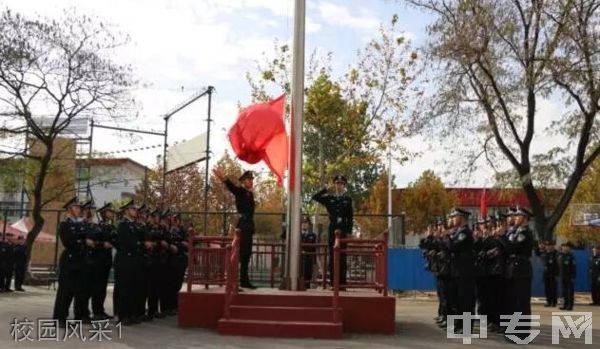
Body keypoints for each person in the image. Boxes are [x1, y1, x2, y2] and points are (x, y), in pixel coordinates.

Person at [213, 168, 257, 289]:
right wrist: (224, 179)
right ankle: (234, 282)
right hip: (243, 225)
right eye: (249, 179)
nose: (251, 181)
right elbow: (231, 187)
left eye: (252, 180)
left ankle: (244, 281)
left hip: (249, 225)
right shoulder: (240, 191)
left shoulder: (250, 194)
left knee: (246, 254)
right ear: (243, 181)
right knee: (239, 254)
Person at [311, 175, 353, 288]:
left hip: (343, 230)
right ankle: (333, 283)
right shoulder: (330, 198)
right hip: (333, 230)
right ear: (334, 185)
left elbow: (350, 217)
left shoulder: (347, 199)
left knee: (342, 257)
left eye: (341, 183)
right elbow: (315, 197)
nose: (339, 185)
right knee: (333, 257)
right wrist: (325, 189)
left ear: (344, 186)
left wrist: (349, 231)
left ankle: (342, 284)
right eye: (337, 183)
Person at [52, 197, 89, 327]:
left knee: (80, 290)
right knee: (65, 291)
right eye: (77, 207)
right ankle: (60, 318)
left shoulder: (82, 224)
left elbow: (89, 237)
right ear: (70, 209)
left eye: (80, 207)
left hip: (81, 260)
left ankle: (79, 316)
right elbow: (69, 241)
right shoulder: (65, 224)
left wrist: (84, 240)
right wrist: (83, 241)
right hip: (70, 260)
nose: (79, 210)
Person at [504, 206, 534, 340]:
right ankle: (513, 330)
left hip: (521, 269)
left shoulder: (525, 233)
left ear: (525, 218)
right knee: (513, 302)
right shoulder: (516, 232)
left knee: (522, 303)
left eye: (518, 216)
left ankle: (522, 333)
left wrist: (502, 237)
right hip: (514, 269)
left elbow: (511, 247)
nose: (515, 218)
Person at [446, 208, 475, 334]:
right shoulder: (457, 232)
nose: (452, 219)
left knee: (466, 300)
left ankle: (467, 328)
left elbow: (453, 247)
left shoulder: (465, 233)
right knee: (456, 299)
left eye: (455, 216)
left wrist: (446, 235)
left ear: (462, 218)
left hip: (465, 271)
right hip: (456, 270)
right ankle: (458, 325)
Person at [114, 199, 142, 325]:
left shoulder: (135, 224)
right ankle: (122, 315)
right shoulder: (123, 225)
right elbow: (126, 242)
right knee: (124, 288)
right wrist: (139, 243)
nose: (135, 211)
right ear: (126, 211)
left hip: (134, 260)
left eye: (135, 209)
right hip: (125, 260)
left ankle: (131, 314)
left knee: (133, 288)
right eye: (133, 209)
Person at [92, 203, 116, 320]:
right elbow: (94, 242)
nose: (112, 213)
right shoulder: (98, 227)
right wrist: (102, 244)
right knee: (97, 286)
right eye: (109, 211)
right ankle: (96, 311)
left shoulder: (111, 227)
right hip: (99, 259)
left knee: (102, 287)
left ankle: (100, 310)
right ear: (104, 213)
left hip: (106, 259)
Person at [534, 240, 559, 307]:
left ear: (553, 246)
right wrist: (539, 247)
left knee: (553, 288)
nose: (548, 247)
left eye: (550, 246)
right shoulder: (544, 253)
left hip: (553, 273)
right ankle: (548, 301)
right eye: (547, 246)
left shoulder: (556, 253)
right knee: (547, 288)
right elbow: (537, 252)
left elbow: (558, 264)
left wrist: (557, 274)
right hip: (546, 273)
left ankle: (554, 302)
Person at [300, 215, 317, 289]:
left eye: (306, 222)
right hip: (298, 258)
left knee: (308, 274)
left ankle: (307, 286)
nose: (304, 224)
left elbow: (313, 248)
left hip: (308, 258)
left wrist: (314, 261)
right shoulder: (296, 234)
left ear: (309, 225)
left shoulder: (312, 235)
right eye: (302, 222)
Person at [559, 243, 576, 310]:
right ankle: (565, 305)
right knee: (564, 292)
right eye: (564, 247)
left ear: (569, 248)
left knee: (570, 292)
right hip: (562, 276)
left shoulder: (571, 257)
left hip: (569, 277)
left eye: (566, 247)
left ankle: (570, 305)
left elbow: (574, 268)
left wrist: (573, 277)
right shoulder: (561, 256)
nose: (565, 248)